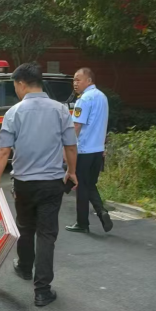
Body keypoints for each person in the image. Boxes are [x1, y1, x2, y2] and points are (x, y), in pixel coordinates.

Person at [0, 63, 78, 307]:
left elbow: (4, 151)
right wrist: (71, 171)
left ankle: (25, 267)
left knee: (25, 227)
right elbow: (71, 146)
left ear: (21, 84)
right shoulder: (60, 110)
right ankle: (42, 291)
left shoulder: (14, 112)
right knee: (47, 235)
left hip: (24, 183)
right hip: (51, 183)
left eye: (15, 86)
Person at [65, 68, 113, 234]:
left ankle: (82, 223)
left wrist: (69, 147)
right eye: (74, 80)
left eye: (78, 79)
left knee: (81, 187)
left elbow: (77, 125)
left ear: (89, 81)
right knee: (89, 184)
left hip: (84, 149)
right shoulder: (102, 97)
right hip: (98, 150)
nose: (75, 83)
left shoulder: (84, 99)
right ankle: (101, 211)